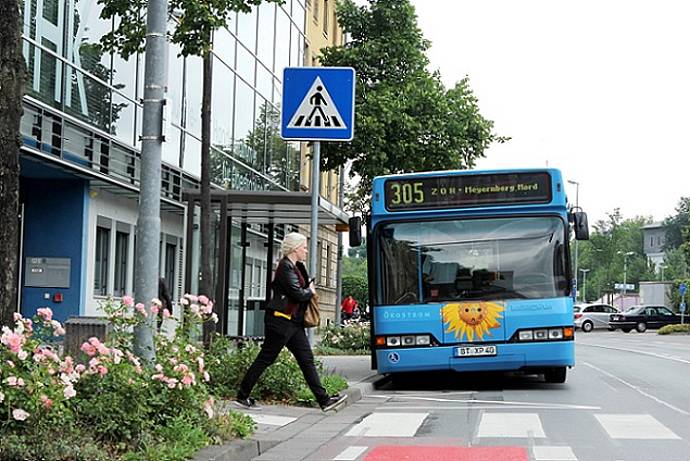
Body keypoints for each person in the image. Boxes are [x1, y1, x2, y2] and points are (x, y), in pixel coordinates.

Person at [234, 232, 347, 412]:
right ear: (295, 249)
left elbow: (300, 288)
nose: (306, 251)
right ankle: (242, 395)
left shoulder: (295, 266)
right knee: (266, 358)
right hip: (280, 321)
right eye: (304, 247)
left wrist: (307, 287)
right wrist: (310, 291)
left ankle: (324, 400)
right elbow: (298, 293)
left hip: (293, 323)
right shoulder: (285, 267)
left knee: (306, 359)